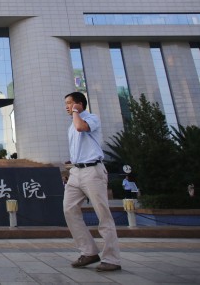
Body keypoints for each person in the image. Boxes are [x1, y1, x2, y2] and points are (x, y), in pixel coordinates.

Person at [63, 92, 121, 272]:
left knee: (103, 214)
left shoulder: (91, 118)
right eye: (66, 104)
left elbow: (81, 128)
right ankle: (88, 252)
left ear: (79, 104)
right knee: (69, 209)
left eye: (70, 103)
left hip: (92, 171)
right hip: (76, 171)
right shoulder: (71, 125)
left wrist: (75, 112)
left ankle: (112, 259)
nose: (66, 106)